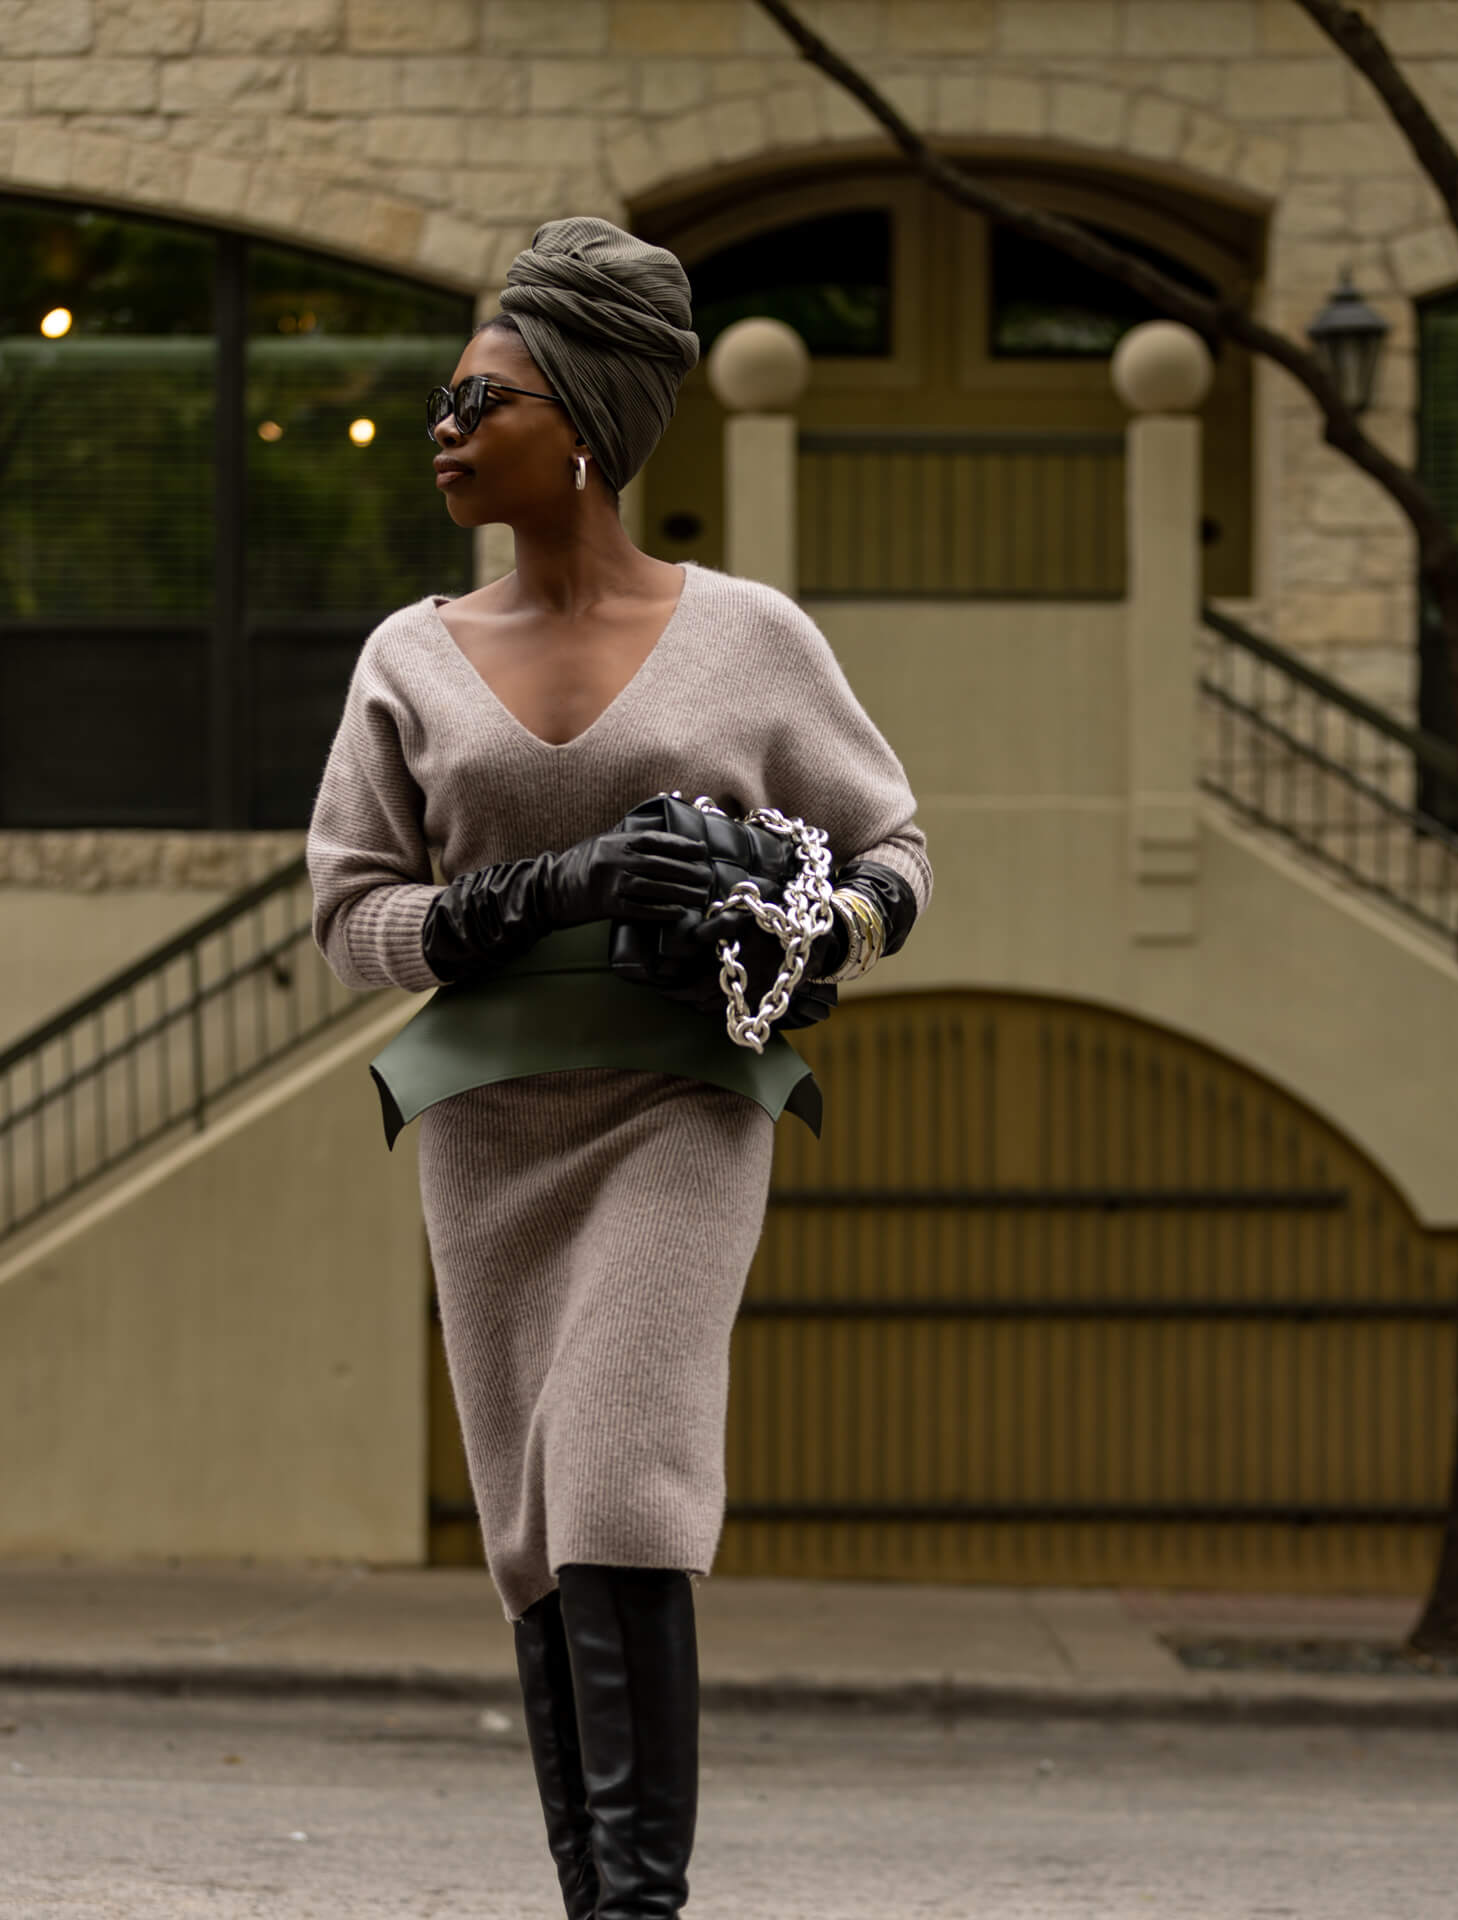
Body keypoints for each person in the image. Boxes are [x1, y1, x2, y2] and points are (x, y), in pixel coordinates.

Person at [306, 216, 932, 1920]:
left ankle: (640, 1908)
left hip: (681, 1098)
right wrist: (543, 890)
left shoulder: (753, 637)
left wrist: (800, 927)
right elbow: (353, 920)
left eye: (480, 400)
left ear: (581, 422)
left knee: (617, 1471)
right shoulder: (408, 657)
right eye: (446, 400)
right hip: (488, 1119)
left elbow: (898, 855)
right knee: (531, 1511)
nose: (443, 427)